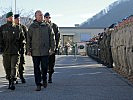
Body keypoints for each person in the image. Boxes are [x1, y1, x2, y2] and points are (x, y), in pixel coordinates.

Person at [27, 10, 55, 91]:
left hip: (45, 51)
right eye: (39, 15)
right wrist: (28, 49)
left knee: (44, 67)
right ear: (35, 16)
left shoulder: (47, 26)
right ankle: (38, 84)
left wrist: (52, 48)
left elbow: (52, 38)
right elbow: (28, 39)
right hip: (35, 51)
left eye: (42, 15)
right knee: (36, 68)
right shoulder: (32, 26)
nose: (41, 16)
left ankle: (44, 79)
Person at [0, 12, 25, 90]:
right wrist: (1, 48)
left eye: (12, 17)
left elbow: (22, 39)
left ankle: (13, 81)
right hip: (6, 51)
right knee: (7, 67)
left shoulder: (18, 28)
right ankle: (9, 80)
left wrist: (21, 48)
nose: (11, 18)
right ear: (6, 18)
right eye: (9, 17)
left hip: (15, 51)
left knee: (14, 67)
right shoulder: (2, 28)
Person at [44, 12, 60, 83]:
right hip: (44, 48)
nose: (48, 19)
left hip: (52, 48)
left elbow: (58, 37)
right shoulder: (42, 25)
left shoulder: (54, 26)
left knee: (51, 63)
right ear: (44, 18)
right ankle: (44, 77)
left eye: (49, 17)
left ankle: (50, 76)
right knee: (44, 63)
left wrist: (56, 47)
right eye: (46, 17)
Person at [14, 14, 27, 83]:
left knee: (22, 62)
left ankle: (21, 75)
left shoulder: (23, 27)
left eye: (19, 19)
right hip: (14, 48)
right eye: (16, 19)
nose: (18, 20)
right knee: (15, 63)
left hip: (22, 48)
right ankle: (15, 77)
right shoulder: (12, 27)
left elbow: (27, 37)